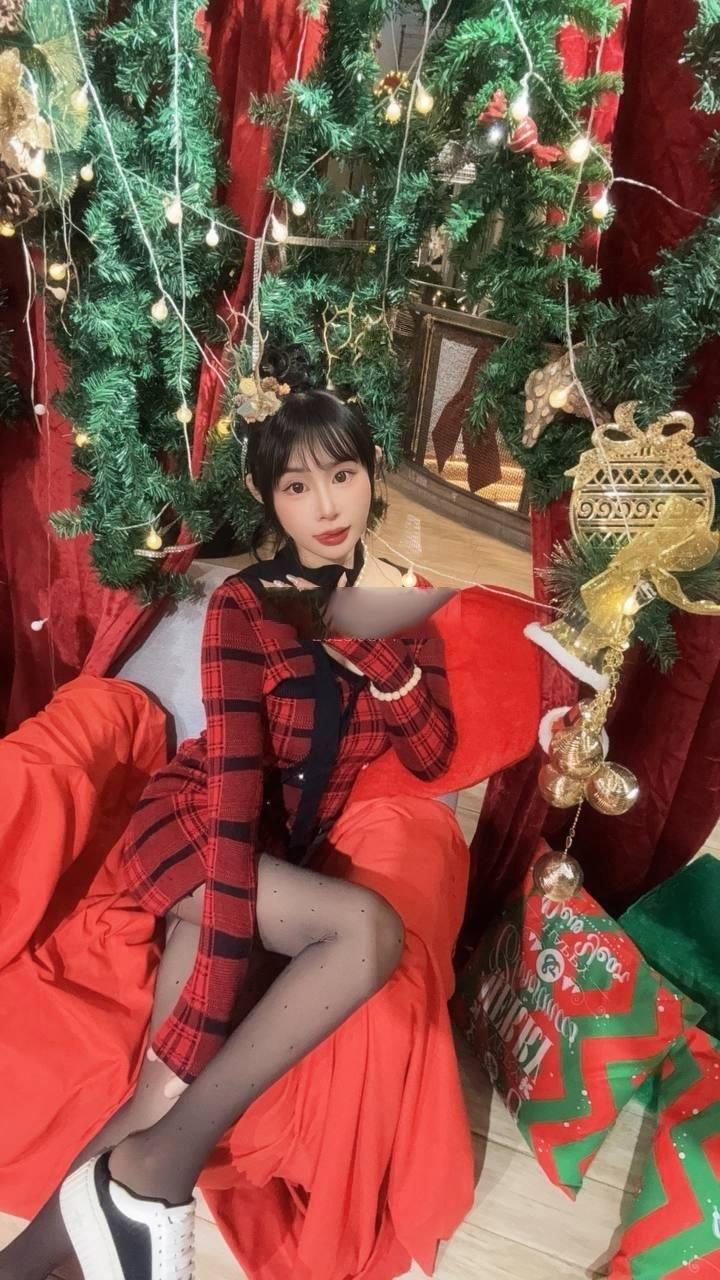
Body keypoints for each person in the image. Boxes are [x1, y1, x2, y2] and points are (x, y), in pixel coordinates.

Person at [0, 388, 457, 1280]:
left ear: (371, 477)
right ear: (267, 498)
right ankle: (158, 1180)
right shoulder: (247, 607)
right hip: (196, 828)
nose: (325, 506)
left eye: (342, 475)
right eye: (296, 487)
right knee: (365, 931)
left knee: (160, 1091)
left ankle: (32, 1259)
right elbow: (237, 787)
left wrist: (374, 649)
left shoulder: (392, 616)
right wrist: (219, 971)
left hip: (269, 867)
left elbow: (432, 752)